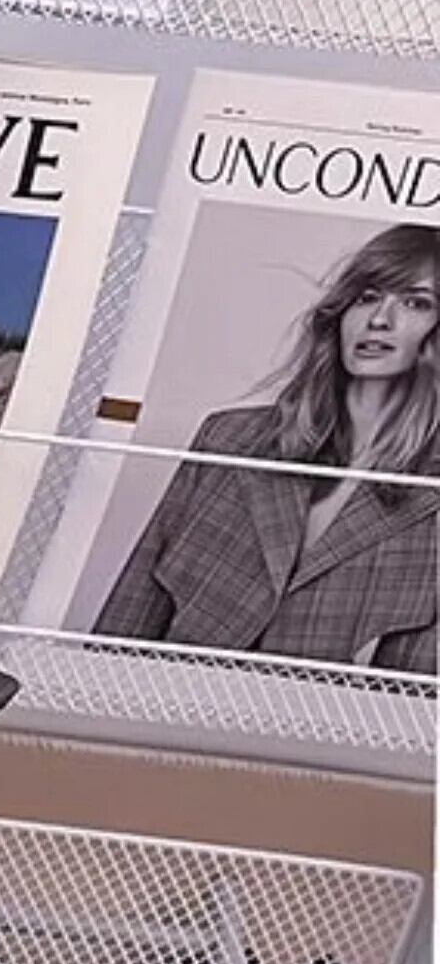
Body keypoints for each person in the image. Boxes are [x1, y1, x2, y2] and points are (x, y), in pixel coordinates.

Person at [94, 222, 439, 673]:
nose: (379, 319)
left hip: (319, 717)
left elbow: (415, 691)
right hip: (166, 703)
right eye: (367, 297)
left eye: (416, 303)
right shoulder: (231, 438)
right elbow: (134, 605)